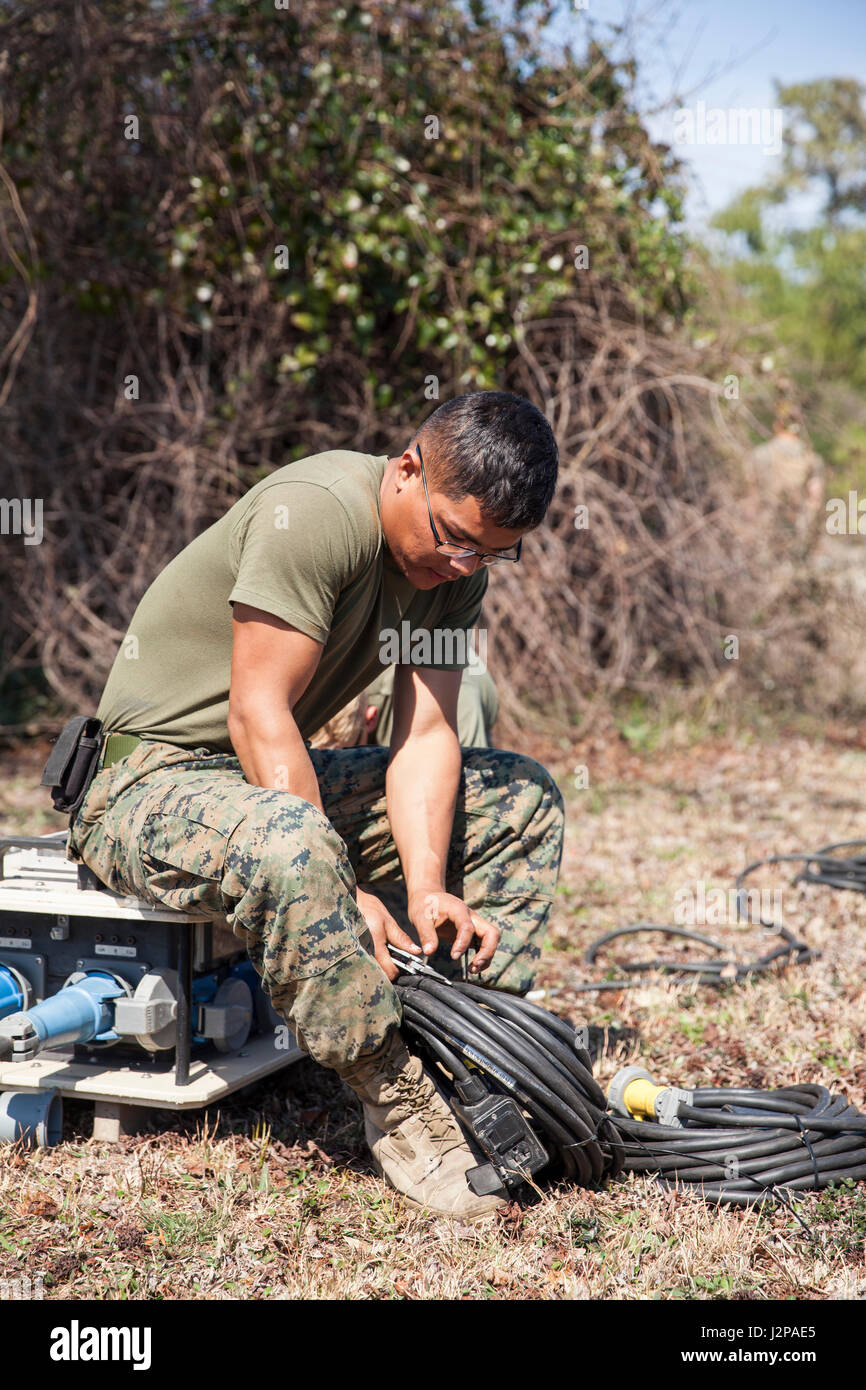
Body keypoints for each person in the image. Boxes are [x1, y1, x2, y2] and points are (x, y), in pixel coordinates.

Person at [67, 390, 564, 1220]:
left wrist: (429, 885)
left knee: (519, 798)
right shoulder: (317, 513)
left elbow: (429, 736)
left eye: (493, 555)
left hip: (253, 785)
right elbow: (256, 711)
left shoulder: (449, 574)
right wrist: (348, 888)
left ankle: (466, 1048)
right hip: (145, 780)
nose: (466, 567)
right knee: (295, 838)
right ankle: (399, 1101)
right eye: (455, 539)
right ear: (408, 469)